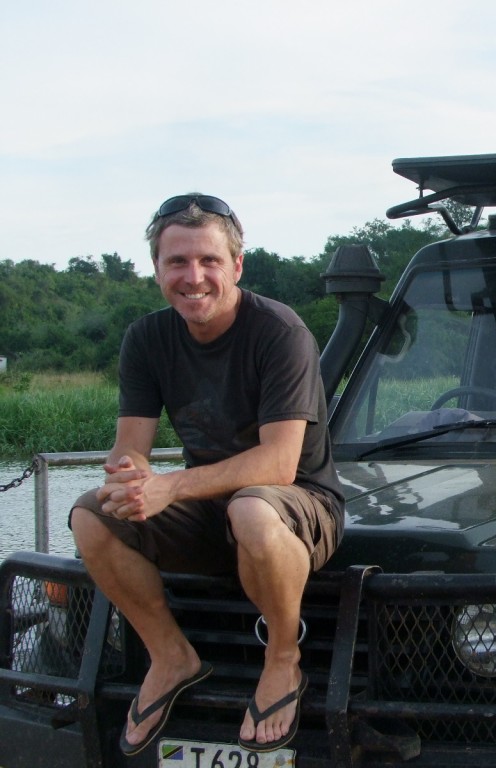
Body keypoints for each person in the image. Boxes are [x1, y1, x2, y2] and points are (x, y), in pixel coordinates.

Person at [69, 193, 345, 756]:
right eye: (177, 263)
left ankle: (283, 660)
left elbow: (278, 464)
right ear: (157, 271)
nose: (193, 277)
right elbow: (132, 449)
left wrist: (169, 486)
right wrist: (129, 478)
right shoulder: (146, 339)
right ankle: (171, 655)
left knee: (251, 505)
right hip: (211, 511)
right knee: (90, 514)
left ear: (236, 266)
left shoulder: (280, 332)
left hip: (301, 505)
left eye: (209, 261)